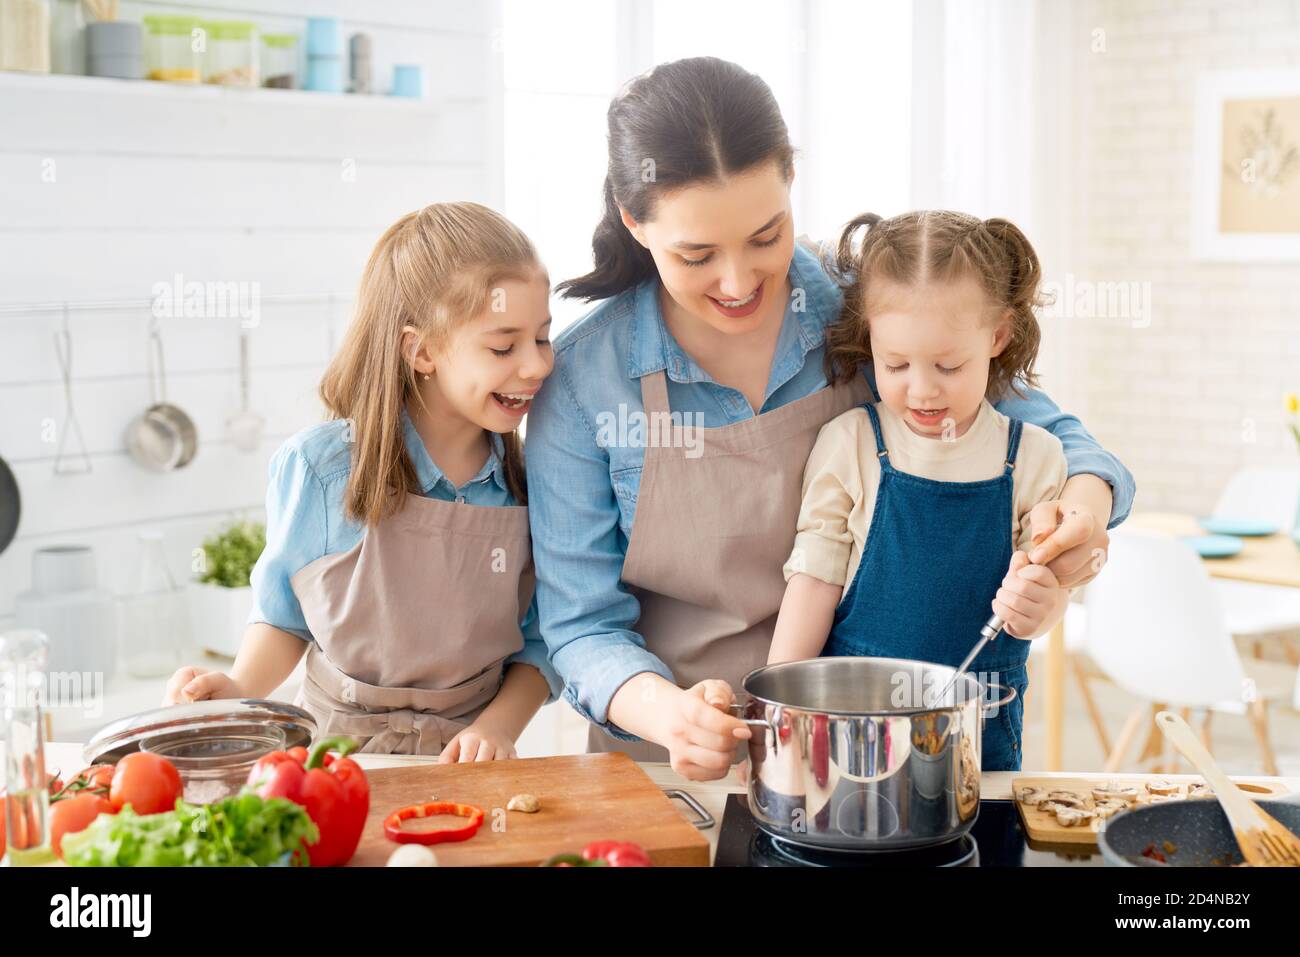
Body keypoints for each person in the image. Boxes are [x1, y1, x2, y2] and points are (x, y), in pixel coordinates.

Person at [164, 202, 562, 758]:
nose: (537, 365)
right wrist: (239, 689)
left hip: (472, 767)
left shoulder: (536, 478)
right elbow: (284, 617)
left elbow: (543, 643)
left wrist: (496, 729)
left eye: (543, 338)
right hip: (334, 761)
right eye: (504, 345)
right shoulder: (321, 469)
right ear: (420, 350)